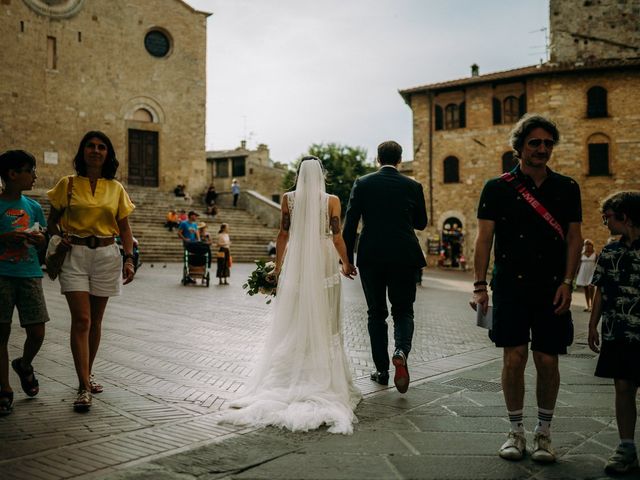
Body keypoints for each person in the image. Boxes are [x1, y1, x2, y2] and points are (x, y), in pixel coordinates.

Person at [470, 114, 582, 463]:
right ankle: (515, 431)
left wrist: (568, 282)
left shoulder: (567, 187)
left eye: (548, 143)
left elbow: (575, 238)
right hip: (509, 286)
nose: (542, 149)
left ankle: (544, 434)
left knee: (548, 360)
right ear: (519, 147)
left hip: (552, 287)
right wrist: (479, 286)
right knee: (514, 358)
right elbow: (483, 239)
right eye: (535, 143)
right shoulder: (496, 188)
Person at [220, 156, 361, 434]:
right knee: (328, 321)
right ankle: (326, 377)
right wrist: (346, 262)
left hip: (297, 261)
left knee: (295, 317)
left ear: (298, 174)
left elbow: (282, 234)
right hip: (323, 261)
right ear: (321, 175)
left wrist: (279, 267)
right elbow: (336, 235)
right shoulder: (331, 200)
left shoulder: (288, 199)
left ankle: (289, 375)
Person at [47, 131, 136, 412]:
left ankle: (88, 371)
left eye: (101, 147)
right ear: (82, 151)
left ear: (108, 154)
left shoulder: (116, 188)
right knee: (82, 320)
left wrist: (129, 258)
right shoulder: (68, 184)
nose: (96, 151)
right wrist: (60, 238)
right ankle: (83, 387)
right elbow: (52, 222)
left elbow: (124, 228)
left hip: (107, 256)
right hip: (75, 255)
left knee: (96, 321)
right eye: (90, 146)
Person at [343, 141, 428, 394]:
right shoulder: (413, 186)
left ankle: (382, 371)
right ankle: (401, 350)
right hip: (404, 254)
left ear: (377, 159)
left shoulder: (363, 182)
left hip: (372, 255)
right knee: (404, 311)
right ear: (400, 160)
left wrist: (346, 259)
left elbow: (351, 224)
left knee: (376, 313)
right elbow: (421, 223)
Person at [588, 191, 640, 475]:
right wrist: (592, 325)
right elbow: (600, 291)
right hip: (618, 330)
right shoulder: (610, 252)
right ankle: (627, 447)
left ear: (625, 216)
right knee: (623, 387)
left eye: (607, 217)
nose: (605, 222)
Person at [0, 150, 49, 415]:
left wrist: (41, 240)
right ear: (12, 174)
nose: (35, 176)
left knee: (37, 332)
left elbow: (43, 237)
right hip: (2, 276)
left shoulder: (34, 207)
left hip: (30, 274)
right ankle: (4, 389)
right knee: (1, 333)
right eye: (30, 170)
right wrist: (4, 238)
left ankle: (25, 364)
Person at [575, 239, 596, 311]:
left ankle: (592, 305)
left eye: (589, 245)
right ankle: (588, 305)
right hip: (583, 273)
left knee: (591, 287)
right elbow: (578, 264)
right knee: (586, 289)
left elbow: (597, 264)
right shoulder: (582, 254)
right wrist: (576, 273)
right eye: (586, 245)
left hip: (591, 273)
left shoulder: (595, 254)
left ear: (592, 246)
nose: (588, 246)